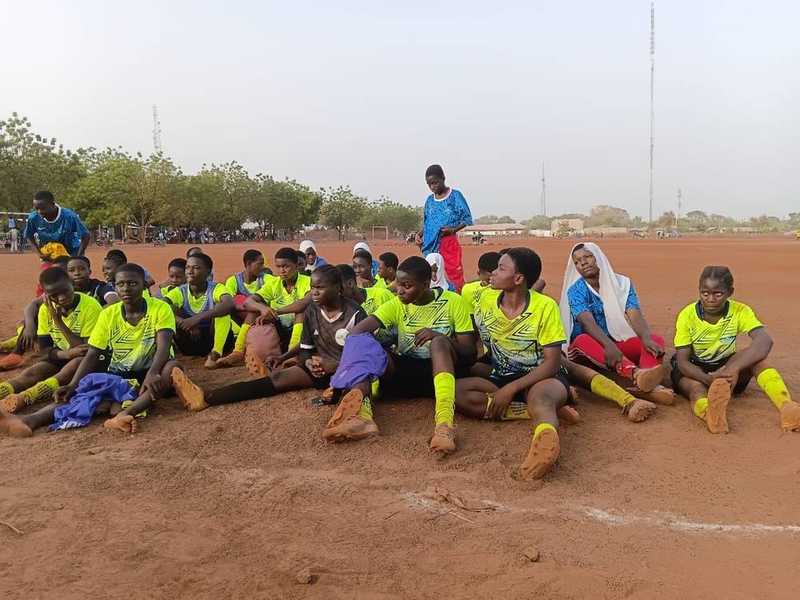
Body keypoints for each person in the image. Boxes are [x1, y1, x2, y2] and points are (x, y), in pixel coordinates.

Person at [0, 263, 201, 437]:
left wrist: (153, 372)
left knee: (171, 367)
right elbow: (93, 353)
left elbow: (164, 345)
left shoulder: (159, 308)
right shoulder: (109, 314)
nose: (126, 289)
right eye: (121, 284)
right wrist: (73, 384)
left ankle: (123, 414)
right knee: (82, 392)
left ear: (143, 285)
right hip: (119, 371)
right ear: (115, 286)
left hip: (152, 368)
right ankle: (30, 420)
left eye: (133, 283)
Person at [322, 256, 476, 455]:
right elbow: (357, 332)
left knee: (438, 343)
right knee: (362, 342)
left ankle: (444, 426)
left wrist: (439, 335)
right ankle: (361, 416)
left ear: (426, 284)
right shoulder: (397, 303)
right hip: (406, 373)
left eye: (407, 285)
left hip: (442, 371)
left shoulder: (453, 302)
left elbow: (470, 352)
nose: (400, 290)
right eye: (398, 284)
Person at [174, 266, 366, 411]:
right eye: (312, 287)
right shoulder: (312, 311)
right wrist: (308, 363)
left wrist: (334, 365)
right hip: (319, 369)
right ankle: (207, 397)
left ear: (338, 288)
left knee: (361, 384)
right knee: (277, 378)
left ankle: (349, 408)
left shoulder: (355, 314)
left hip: (347, 371)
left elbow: (364, 358)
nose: (314, 293)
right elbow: (307, 348)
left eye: (320, 288)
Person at [453, 248, 572, 479]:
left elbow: (552, 363)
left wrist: (511, 389)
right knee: (458, 392)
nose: (492, 274)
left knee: (541, 397)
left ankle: (545, 443)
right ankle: (532, 411)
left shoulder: (545, 307)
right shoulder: (486, 300)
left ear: (518, 279)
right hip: (501, 372)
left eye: (501, 269)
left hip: (541, 376)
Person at [672, 266, 800, 433]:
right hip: (695, 368)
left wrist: (733, 369)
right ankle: (710, 415)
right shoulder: (687, 315)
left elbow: (764, 340)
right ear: (699, 291)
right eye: (705, 293)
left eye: (718, 294)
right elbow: (682, 361)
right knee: (694, 388)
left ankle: (787, 407)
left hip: (726, 367)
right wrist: (709, 379)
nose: (710, 299)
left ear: (730, 292)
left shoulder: (740, 310)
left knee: (759, 361)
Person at [560, 242, 672, 401]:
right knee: (582, 339)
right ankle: (635, 373)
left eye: (587, 257)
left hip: (614, 347)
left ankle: (646, 382)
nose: (583, 263)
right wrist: (609, 346)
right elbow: (587, 322)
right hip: (589, 350)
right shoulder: (576, 290)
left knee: (654, 340)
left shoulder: (623, 284)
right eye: (577, 262)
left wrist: (645, 338)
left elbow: (634, 314)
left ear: (599, 258)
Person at [0, 267, 103, 412]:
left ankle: (26, 397)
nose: (61, 298)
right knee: (33, 372)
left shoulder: (91, 307)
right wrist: (65, 354)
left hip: (88, 359)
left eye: (65, 291)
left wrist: (58, 321)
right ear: (46, 295)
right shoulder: (45, 309)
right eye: (54, 295)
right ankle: (3, 390)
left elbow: (85, 350)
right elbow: (44, 350)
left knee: (71, 367)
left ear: (72, 284)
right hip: (62, 354)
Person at [224, 247, 311, 374]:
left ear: (296, 265)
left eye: (286, 266)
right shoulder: (274, 283)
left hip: (303, 330)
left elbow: (303, 304)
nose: (282, 271)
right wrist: (263, 309)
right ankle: (238, 351)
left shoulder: (307, 281)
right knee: (254, 311)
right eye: (279, 267)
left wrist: (275, 311)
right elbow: (248, 302)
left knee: (301, 312)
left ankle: (293, 354)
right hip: (279, 327)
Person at [163, 253, 234, 368]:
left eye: (196, 268)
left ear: (208, 272)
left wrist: (196, 319)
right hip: (190, 343)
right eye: (187, 267)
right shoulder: (180, 291)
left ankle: (215, 354)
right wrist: (183, 322)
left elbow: (229, 303)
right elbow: (162, 306)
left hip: (214, 340)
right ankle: (165, 355)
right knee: (170, 309)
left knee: (223, 311)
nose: (190, 271)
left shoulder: (216, 288)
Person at [415, 164, 473, 291]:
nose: (432, 187)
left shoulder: (455, 196)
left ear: (443, 178)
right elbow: (428, 222)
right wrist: (419, 234)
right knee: (432, 273)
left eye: (435, 183)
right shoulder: (430, 200)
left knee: (453, 273)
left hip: (447, 242)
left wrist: (453, 230)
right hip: (430, 243)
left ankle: (457, 300)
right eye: (429, 184)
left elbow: (467, 218)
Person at [23, 191, 90, 259]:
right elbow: (29, 236)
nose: (39, 211)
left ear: (52, 204)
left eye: (43, 208)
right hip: (49, 255)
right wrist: (39, 253)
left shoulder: (69, 216)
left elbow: (86, 235)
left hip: (71, 253)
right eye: (37, 208)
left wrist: (78, 256)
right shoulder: (33, 218)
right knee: (50, 270)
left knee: (71, 268)